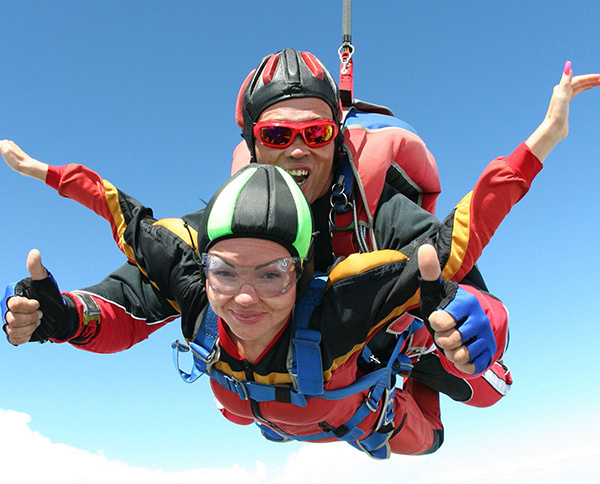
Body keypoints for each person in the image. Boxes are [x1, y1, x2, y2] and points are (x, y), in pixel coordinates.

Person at [1, 49, 512, 409]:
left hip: (385, 346)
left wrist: (475, 322)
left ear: (336, 139)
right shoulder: (227, 227)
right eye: (277, 133)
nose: (297, 149)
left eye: (316, 132)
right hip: (284, 382)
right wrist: (63, 315)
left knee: (481, 391)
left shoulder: (380, 216)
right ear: (253, 144)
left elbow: (458, 276)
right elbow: (133, 299)